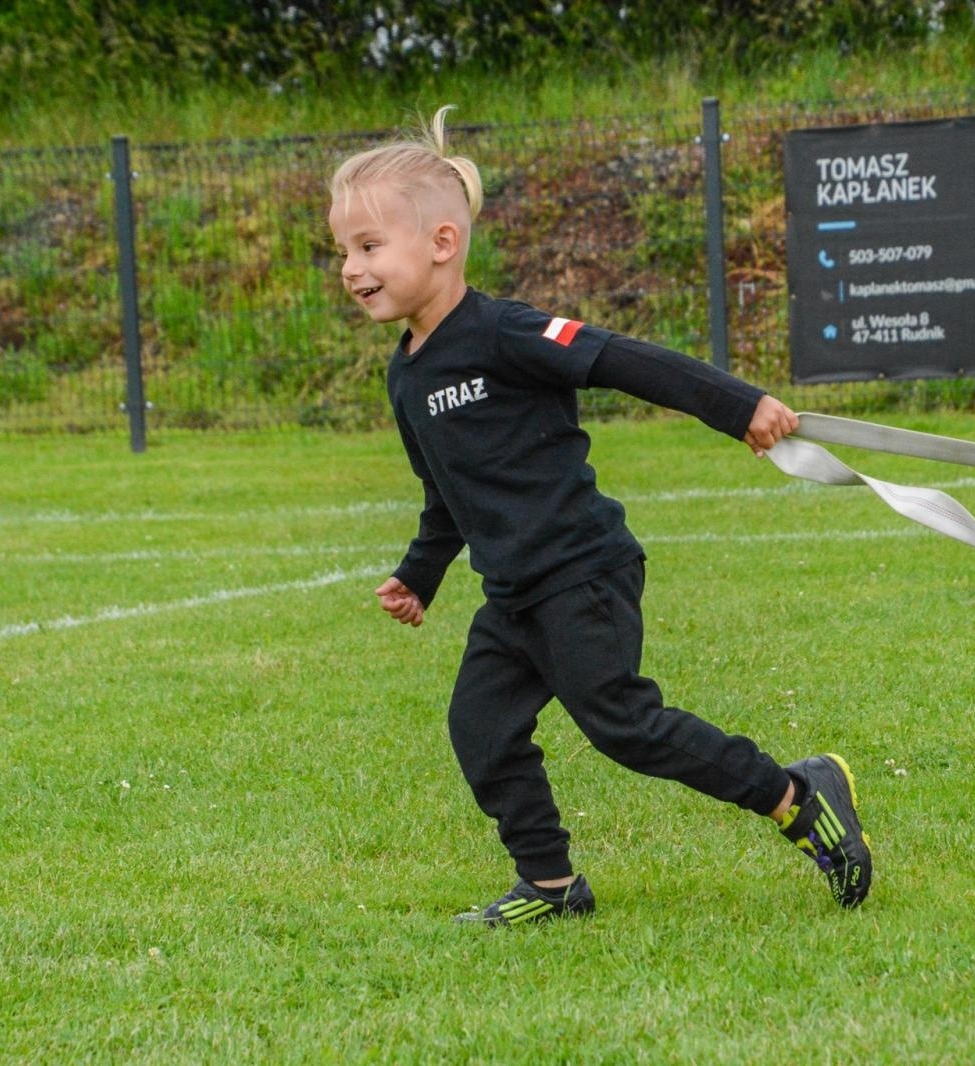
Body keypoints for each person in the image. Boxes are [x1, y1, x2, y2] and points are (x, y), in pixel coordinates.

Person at [328, 106, 872, 926]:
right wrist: (418, 574)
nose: (350, 266)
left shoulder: (506, 331)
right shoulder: (406, 377)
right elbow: (446, 492)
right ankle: (550, 886)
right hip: (513, 595)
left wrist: (739, 407)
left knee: (625, 725)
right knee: (481, 731)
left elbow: (622, 359)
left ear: (442, 243)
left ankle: (797, 794)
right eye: (343, 250)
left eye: (369, 246)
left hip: (582, 571)